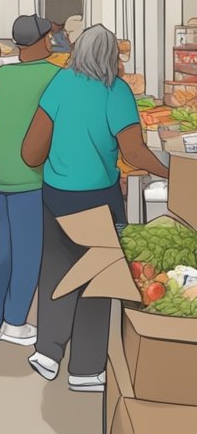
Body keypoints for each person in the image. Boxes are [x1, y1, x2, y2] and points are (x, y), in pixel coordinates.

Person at [21, 25, 169, 391]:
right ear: (107, 57)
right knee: (97, 281)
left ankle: (47, 352)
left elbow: (30, 152)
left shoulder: (59, 84)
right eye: (116, 55)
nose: (120, 61)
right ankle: (85, 370)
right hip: (97, 200)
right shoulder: (115, 92)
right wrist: (172, 172)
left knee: (56, 271)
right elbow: (133, 151)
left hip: (55, 196)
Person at [0, 15, 58, 345]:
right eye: (49, 38)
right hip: (33, 179)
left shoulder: (2, 75)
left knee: (0, 252)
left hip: (0, 177)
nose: (52, 44)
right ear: (37, 41)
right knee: (28, 252)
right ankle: (14, 322)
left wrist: (2, 150)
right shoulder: (55, 76)